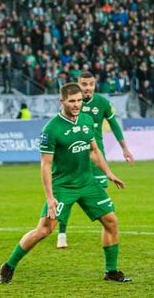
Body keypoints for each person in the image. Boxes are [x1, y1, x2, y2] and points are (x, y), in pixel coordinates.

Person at [0, 82, 129, 284]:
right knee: (44, 231)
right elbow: (45, 165)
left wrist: (109, 173)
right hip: (63, 187)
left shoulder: (86, 120)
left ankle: (111, 271)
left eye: (79, 101)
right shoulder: (51, 129)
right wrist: (50, 198)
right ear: (62, 101)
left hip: (87, 183)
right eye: (72, 101)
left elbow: (94, 151)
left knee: (111, 222)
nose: (77, 105)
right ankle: (9, 265)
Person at [56, 71, 134, 249]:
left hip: (97, 157)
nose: (88, 88)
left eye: (91, 84)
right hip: (75, 157)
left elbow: (114, 124)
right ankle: (62, 233)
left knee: (101, 196)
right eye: (84, 84)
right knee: (67, 198)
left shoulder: (102, 103)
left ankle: (108, 230)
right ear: (78, 84)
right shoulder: (71, 103)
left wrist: (124, 148)